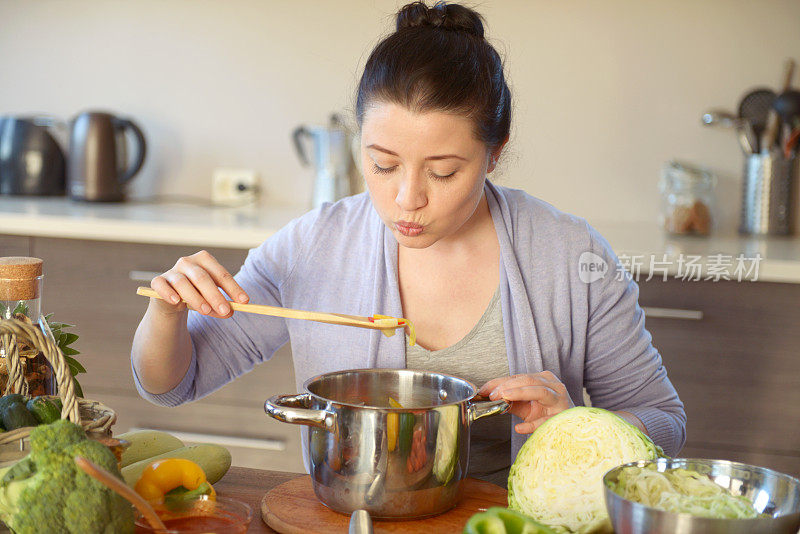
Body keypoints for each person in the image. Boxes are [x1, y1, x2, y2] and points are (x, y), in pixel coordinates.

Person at [132, 1, 685, 487]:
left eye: (443, 172)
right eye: (382, 164)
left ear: (494, 154)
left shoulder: (570, 255)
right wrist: (167, 311)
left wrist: (574, 424)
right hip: (357, 512)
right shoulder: (312, 248)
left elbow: (663, 419)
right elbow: (171, 386)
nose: (406, 199)